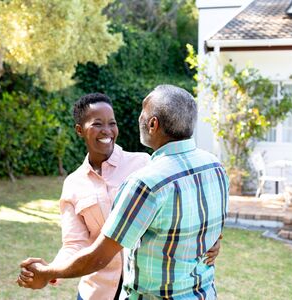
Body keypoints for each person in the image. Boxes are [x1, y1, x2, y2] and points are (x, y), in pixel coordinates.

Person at [17, 92, 221, 299]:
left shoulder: (144, 166)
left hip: (141, 287)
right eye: (97, 124)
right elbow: (74, 243)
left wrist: (213, 239)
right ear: (80, 130)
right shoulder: (73, 184)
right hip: (98, 291)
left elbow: (183, 207)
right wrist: (51, 271)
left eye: (112, 123)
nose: (107, 130)